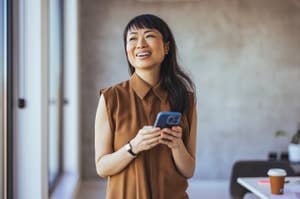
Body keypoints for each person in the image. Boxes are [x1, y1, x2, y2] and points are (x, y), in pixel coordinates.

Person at [95, 14, 197, 199]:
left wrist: (176, 145)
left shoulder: (185, 99)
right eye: (132, 38)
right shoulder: (111, 98)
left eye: (149, 35)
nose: (140, 44)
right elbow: (102, 167)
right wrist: (134, 146)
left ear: (166, 47)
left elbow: (189, 170)